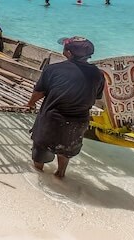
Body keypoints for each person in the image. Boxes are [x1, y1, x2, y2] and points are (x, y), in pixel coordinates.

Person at [26, 37, 104, 178]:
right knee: (66, 149)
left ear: (68, 53)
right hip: (79, 121)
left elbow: (39, 92)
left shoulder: (53, 69)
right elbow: (97, 96)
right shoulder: (98, 74)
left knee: (41, 151)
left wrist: (30, 103)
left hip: (52, 119)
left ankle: (39, 179)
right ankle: (60, 175)